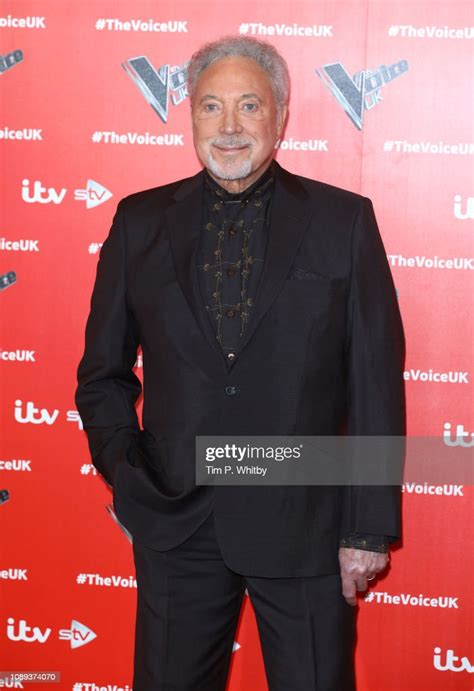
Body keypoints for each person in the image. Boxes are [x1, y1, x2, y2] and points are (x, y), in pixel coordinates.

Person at [75, 35, 406, 691]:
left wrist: (367, 529)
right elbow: (101, 375)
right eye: (210, 107)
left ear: (280, 117)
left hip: (307, 526)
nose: (229, 127)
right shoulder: (139, 223)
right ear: (190, 115)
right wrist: (128, 474)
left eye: (248, 106)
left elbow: (374, 383)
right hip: (177, 521)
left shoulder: (344, 222)